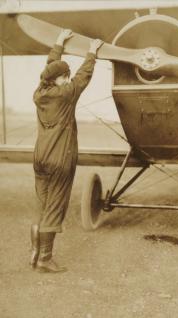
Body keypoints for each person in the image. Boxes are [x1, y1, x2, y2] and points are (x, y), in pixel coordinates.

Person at [31, 29, 103, 273]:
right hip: (60, 160)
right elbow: (83, 76)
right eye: (66, 75)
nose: (68, 78)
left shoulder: (40, 92)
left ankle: (35, 250)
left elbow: (49, 69)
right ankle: (44, 259)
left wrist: (58, 43)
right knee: (54, 208)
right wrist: (92, 52)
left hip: (40, 158)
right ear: (61, 78)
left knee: (43, 205)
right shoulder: (65, 94)